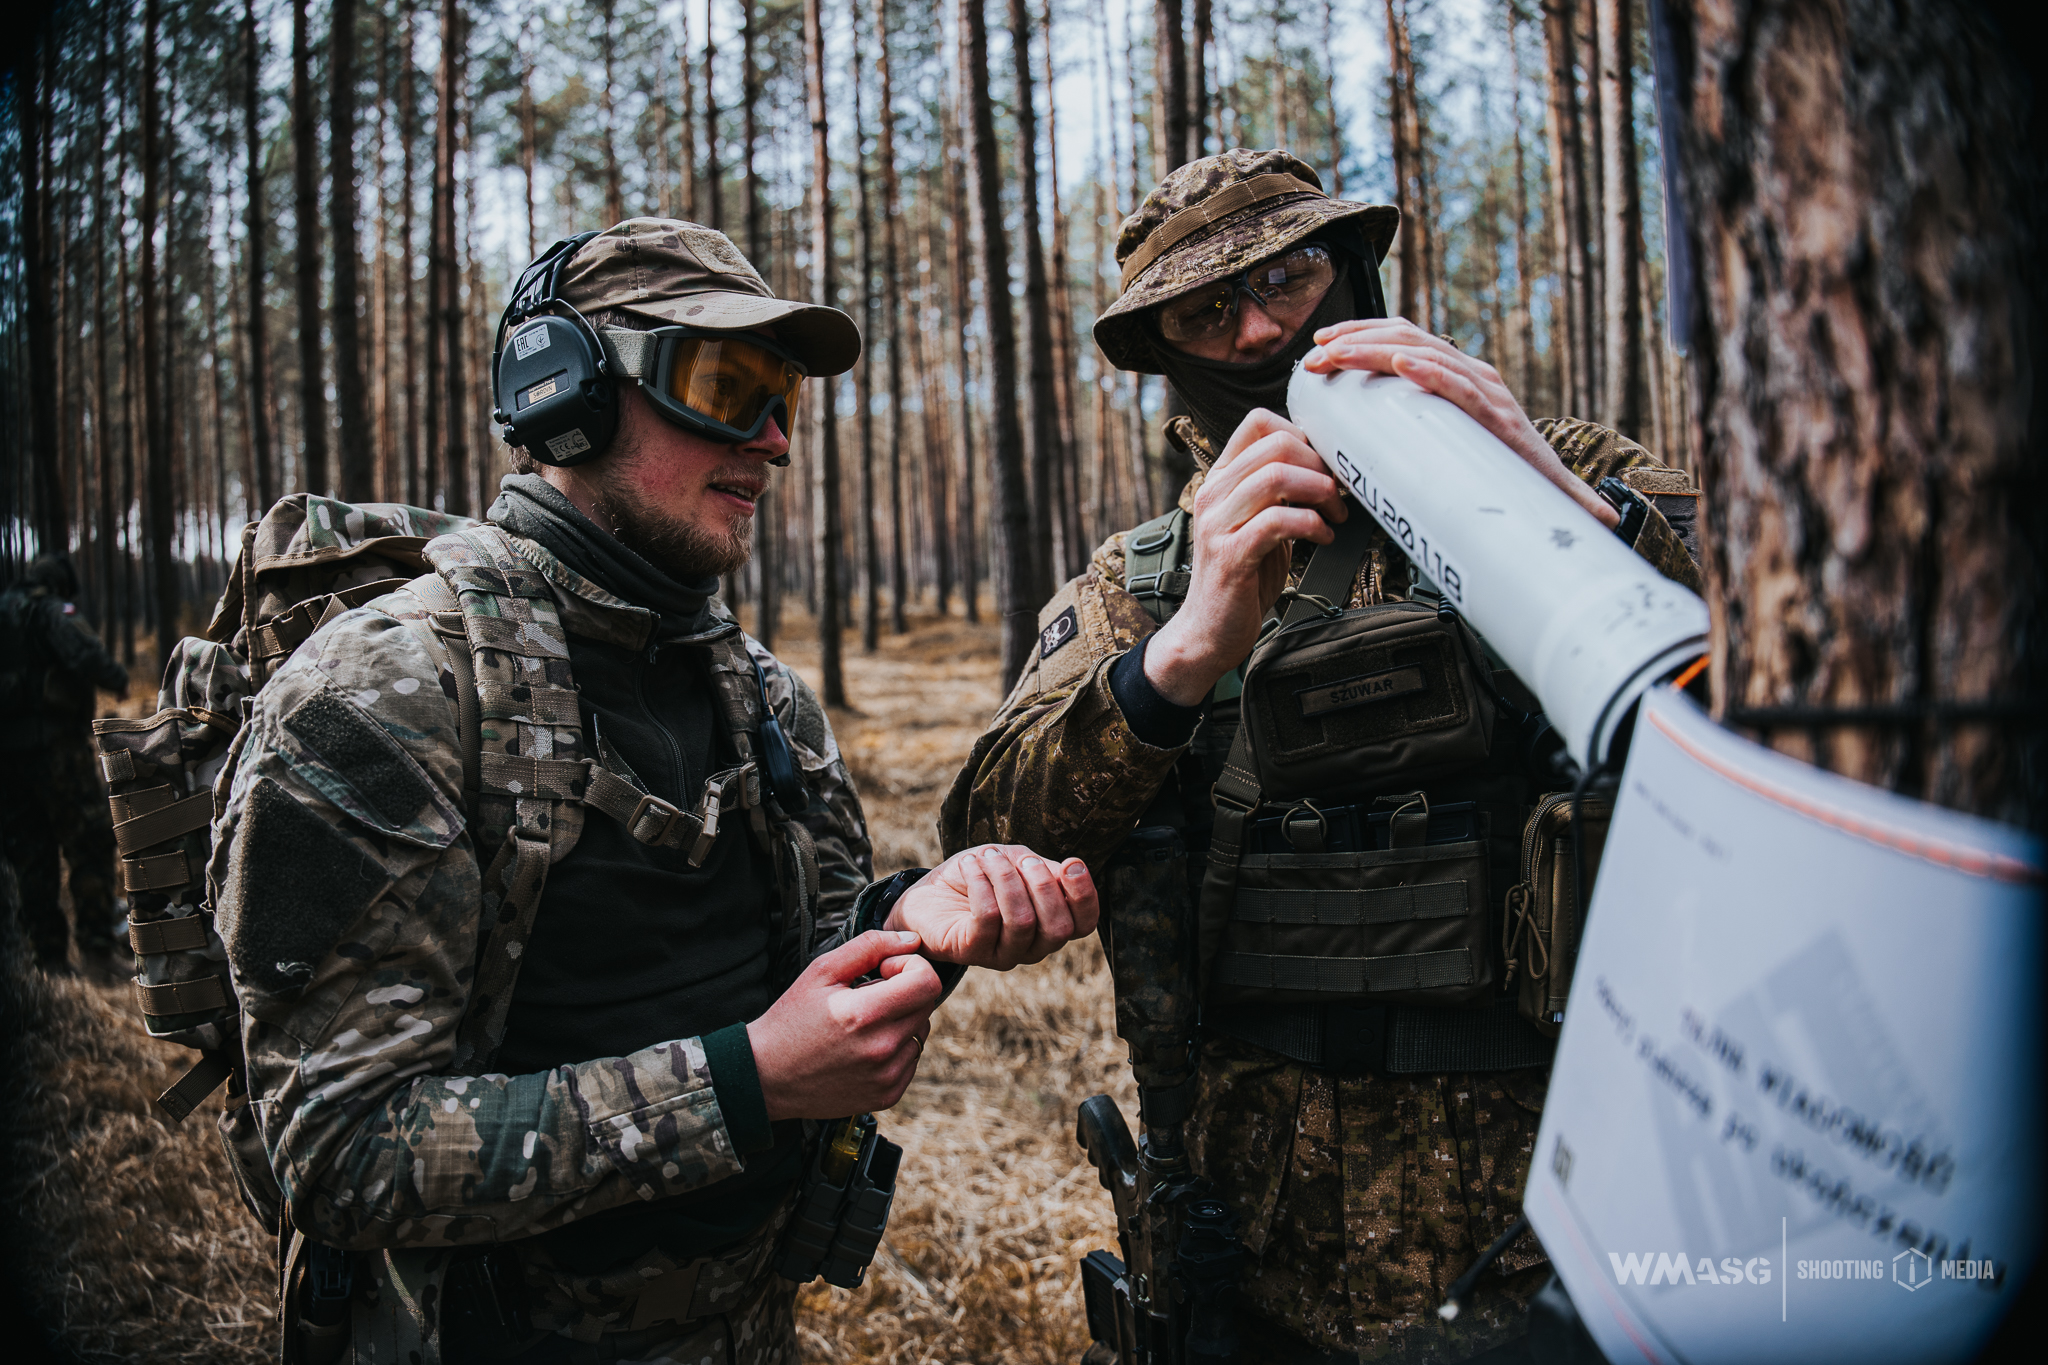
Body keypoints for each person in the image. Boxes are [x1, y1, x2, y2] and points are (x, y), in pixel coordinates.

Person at [217, 218, 1099, 1364]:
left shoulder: (761, 695)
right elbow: (338, 1154)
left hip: (747, 1325)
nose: (771, 440)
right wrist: (743, 1084)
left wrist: (908, 921)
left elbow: (800, 958)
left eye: (781, 397)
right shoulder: (386, 695)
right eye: (725, 387)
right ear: (566, 394)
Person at [940, 150, 1703, 1362]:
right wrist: (1180, 655)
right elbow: (989, 836)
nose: (1257, 331)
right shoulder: (1145, 579)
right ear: (1163, 354)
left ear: (1352, 271)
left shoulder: (1578, 475)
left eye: (1285, 277)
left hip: (1571, 1227)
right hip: (1263, 1254)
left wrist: (1567, 512)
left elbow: (1812, 691)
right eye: (1204, 312)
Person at [0, 552, 128, 971]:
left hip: (8, 760)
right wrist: (116, 678)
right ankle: (97, 952)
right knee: (90, 843)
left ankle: (49, 960)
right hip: (57, 750)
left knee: (30, 857)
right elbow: (85, 653)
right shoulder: (51, 611)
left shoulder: (4, 610)